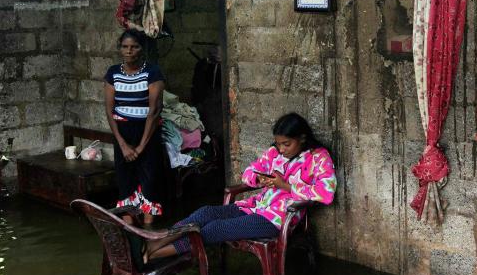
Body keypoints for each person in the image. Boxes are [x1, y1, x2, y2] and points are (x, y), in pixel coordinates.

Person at [144, 112, 336, 260]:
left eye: (286, 144)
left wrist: (285, 186)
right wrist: (259, 179)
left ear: (301, 138)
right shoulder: (274, 153)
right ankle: (155, 243)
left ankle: (153, 254)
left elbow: (326, 193)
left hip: (277, 218)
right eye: (278, 144)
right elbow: (248, 173)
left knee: (213, 229)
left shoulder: (318, 157)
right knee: (205, 213)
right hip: (255, 207)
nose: (281, 150)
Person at [104, 29, 166, 227]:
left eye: (134, 47)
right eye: (125, 47)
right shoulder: (113, 73)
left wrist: (140, 147)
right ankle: (129, 230)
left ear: (142, 49)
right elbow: (109, 110)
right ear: (120, 49)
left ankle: (148, 231)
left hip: (147, 134)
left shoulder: (153, 72)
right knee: (125, 182)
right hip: (123, 134)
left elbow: (154, 111)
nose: (129, 51)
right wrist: (123, 145)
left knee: (149, 181)